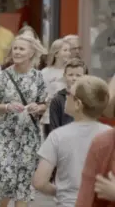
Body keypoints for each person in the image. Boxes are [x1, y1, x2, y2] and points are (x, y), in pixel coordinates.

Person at [0, 35, 48, 207]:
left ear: (31, 52)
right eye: (15, 48)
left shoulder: (38, 77)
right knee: (4, 177)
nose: (17, 52)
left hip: (28, 135)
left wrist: (37, 107)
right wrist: (6, 107)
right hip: (2, 135)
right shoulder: (2, 76)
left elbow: (44, 104)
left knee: (24, 184)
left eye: (21, 49)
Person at [33, 75, 111, 207]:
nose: (65, 96)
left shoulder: (58, 136)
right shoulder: (110, 134)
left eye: (69, 93)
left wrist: (61, 192)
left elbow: (39, 182)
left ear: (78, 104)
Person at [49, 59, 89, 131]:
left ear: (85, 76)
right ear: (64, 76)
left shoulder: (88, 99)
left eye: (78, 75)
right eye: (70, 75)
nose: (74, 78)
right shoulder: (57, 100)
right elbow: (54, 128)